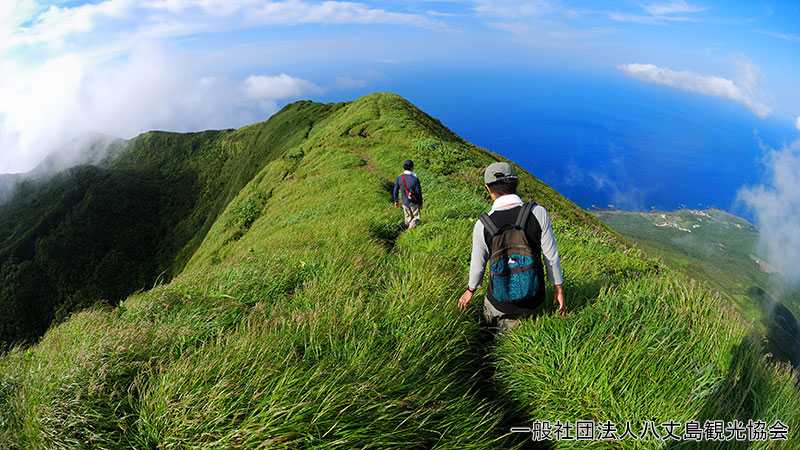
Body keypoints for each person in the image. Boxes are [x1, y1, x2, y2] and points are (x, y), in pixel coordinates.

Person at [457, 161, 565, 332]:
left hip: (498, 304)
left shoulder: (482, 224)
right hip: (533, 302)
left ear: (488, 188)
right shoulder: (538, 213)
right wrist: (558, 287)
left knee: (490, 330)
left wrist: (470, 290)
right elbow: (551, 257)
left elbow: (478, 266)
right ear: (516, 183)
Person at [392, 159, 423, 229]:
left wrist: (396, 201)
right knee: (416, 218)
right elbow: (418, 193)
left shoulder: (399, 178)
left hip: (404, 202)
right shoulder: (415, 179)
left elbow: (395, 190)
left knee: (408, 218)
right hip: (414, 202)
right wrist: (420, 203)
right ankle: (411, 231)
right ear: (412, 167)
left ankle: (407, 232)